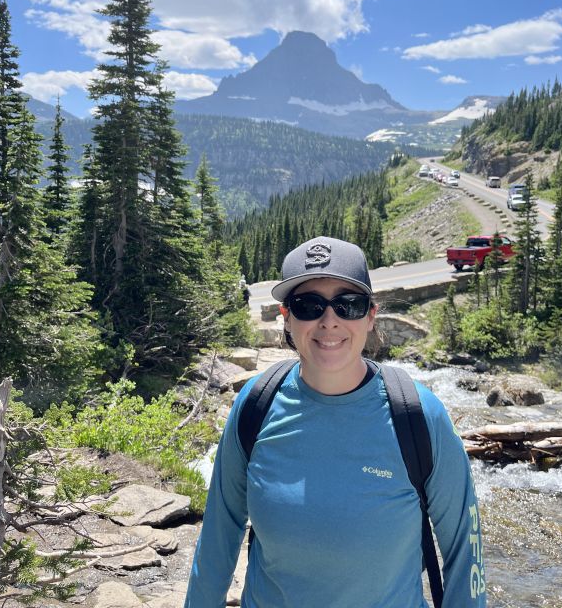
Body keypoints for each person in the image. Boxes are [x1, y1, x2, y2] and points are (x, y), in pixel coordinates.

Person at [184, 236, 486, 607]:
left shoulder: (419, 416)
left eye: (349, 305)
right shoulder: (256, 404)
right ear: (287, 317)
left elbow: (464, 552)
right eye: (309, 305)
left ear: (371, 315)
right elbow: (219, 535)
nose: (329, 321)